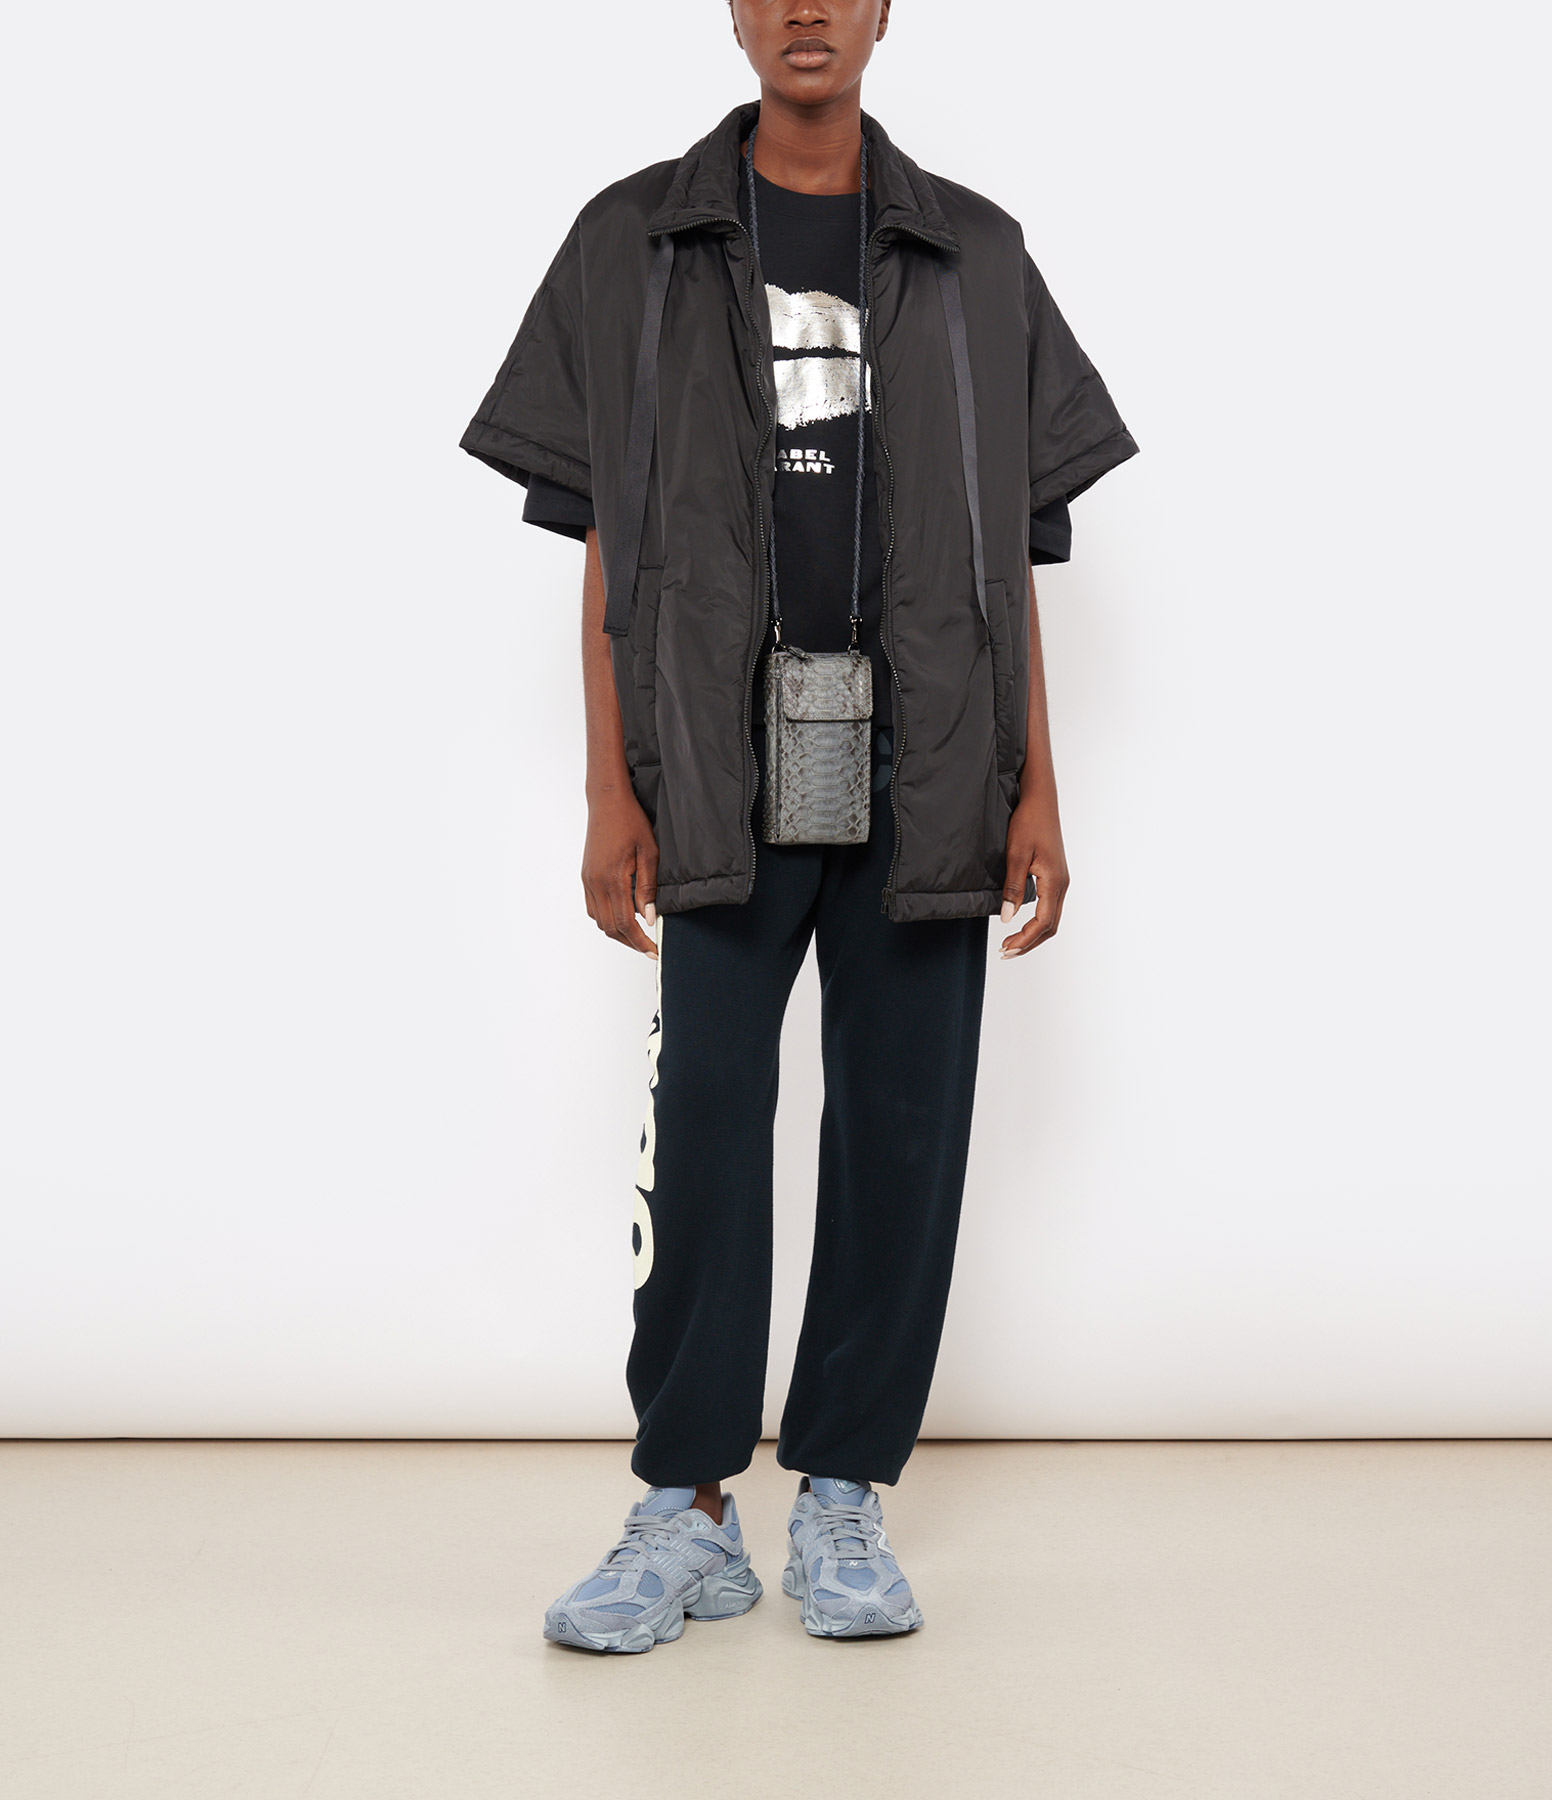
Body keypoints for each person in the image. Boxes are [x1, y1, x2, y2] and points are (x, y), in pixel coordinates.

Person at [460, 0, 1136, 1653]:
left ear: (888, 8)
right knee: (704, 1129)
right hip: (713, 758)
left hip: (933, 763)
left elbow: (1011, 553)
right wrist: (610, 787)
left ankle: (843, 1494)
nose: (807, 8)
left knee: (902, 1137)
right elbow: (608, 543)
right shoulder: (633, 242)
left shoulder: (977, 254)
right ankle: (684, 1510)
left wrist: (1037, 785)